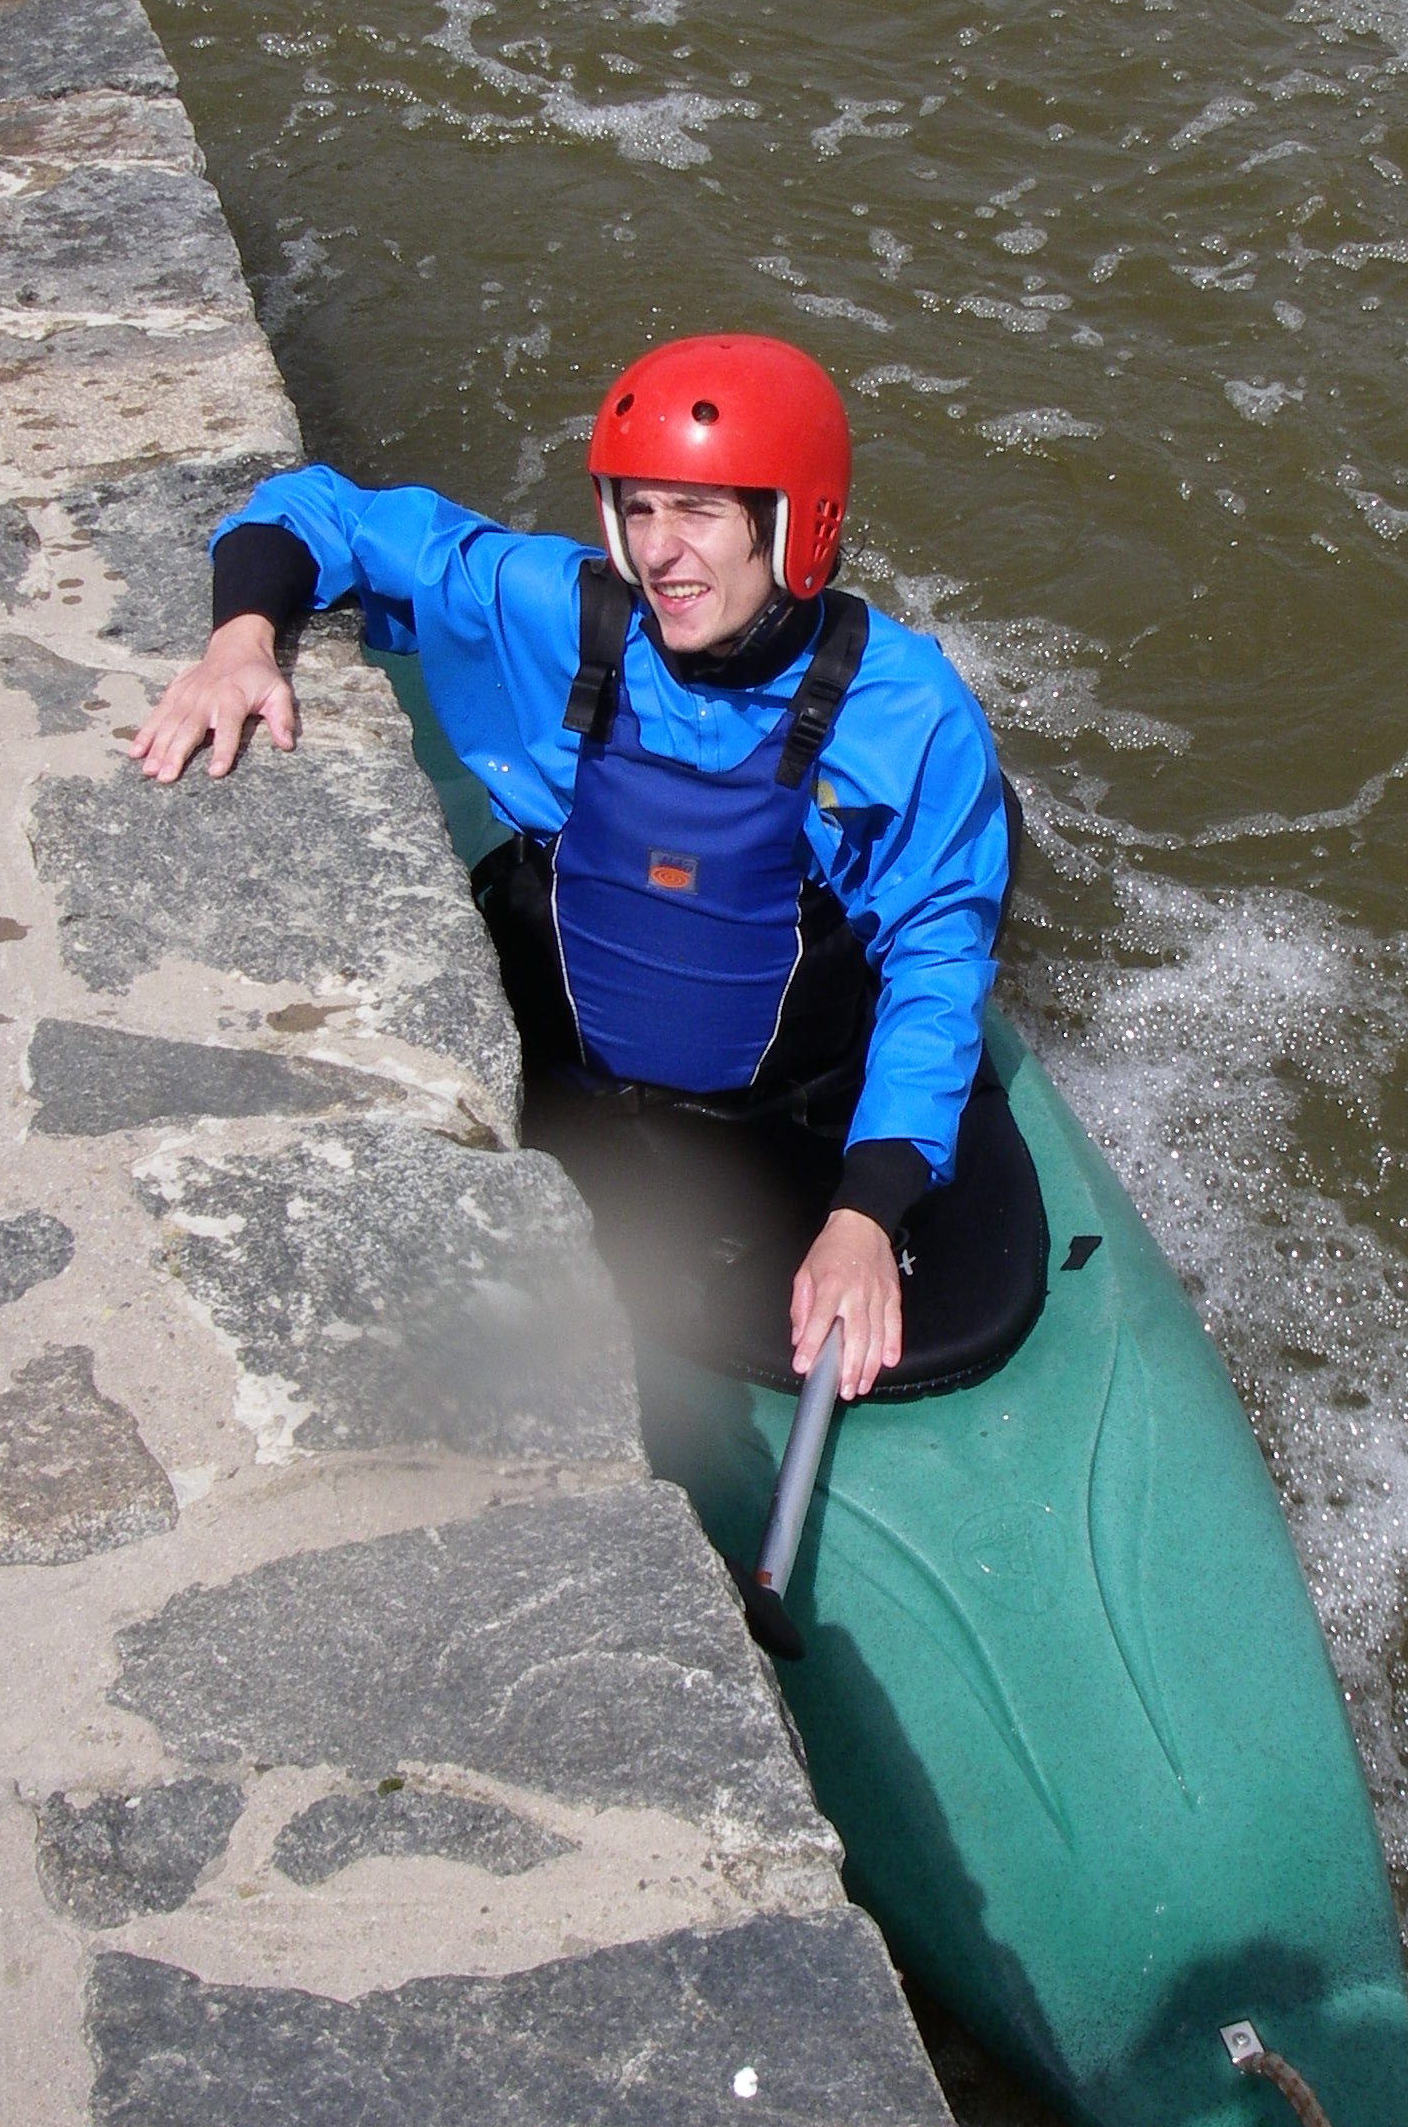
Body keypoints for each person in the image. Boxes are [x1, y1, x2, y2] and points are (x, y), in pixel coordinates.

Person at [130, 332, 1015, 1403]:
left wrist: (864, 1214)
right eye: (638, 509)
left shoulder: (905, 710)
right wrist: (239, 642)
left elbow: (935, 959)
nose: (659, 552)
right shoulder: (561, 615)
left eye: (698, 512)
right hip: (568, 1085)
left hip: (777, 1127)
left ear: (795, 526)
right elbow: (316, 509)